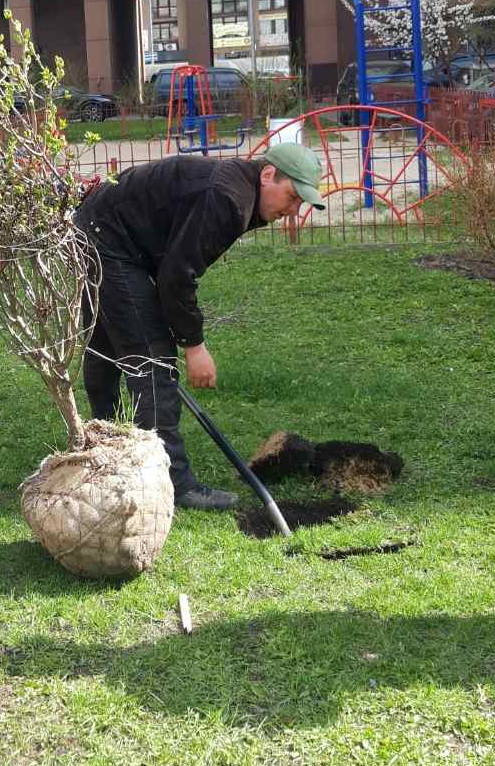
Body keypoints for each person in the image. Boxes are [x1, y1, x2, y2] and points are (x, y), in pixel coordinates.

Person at [74, 144, 325, 510]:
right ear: (268, 175)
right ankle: (172, 481)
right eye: (291, 197)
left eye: (300, 203)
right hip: (110, 241)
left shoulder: (237, 188)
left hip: (99, 228)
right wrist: (194, 347)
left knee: (107, 344)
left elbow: (172, 265)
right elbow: (177, 275)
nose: (291, 210)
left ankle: (106, 447)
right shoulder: (228, 198)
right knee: (153, 361)